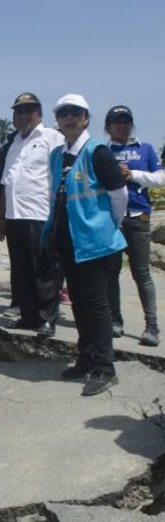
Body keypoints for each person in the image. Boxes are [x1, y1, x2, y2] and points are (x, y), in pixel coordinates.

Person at [42, 94, 128, 396]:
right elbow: (55, 197)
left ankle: (105, 368)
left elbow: (119, 196)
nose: (69, 118)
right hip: (68, 243)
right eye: (64, 113)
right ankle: (86, 358)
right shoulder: (57, 155)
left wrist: (108, 227)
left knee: (97, 306)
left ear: (86, 118)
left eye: (75, 113)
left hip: (96, 243)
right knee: (78, 302)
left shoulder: (97, 152)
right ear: (58, 120)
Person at [0, 92, 64, 337]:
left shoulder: (52, 137)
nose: (23, 115)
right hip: (15, 216)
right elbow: (7, 182)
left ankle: (46, 318)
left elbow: (60, 176)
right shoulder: (14, 143)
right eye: (18, 111)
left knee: (44, 268)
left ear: (39, 114)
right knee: (21, 269)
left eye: (28, 110)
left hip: (40, 214)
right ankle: (28, 316)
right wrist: (0, 217)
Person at [104, 105, 164, 346]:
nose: (122, 125)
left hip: (139, 218)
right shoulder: (102, 151)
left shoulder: (146, 149)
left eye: (126, 120)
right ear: (108, 127)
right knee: (111, 273)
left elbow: (161, 177)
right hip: (111, 220)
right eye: (116, 121)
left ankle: (152, 326)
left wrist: (134, 175)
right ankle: (115, 321)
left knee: (142, 274)